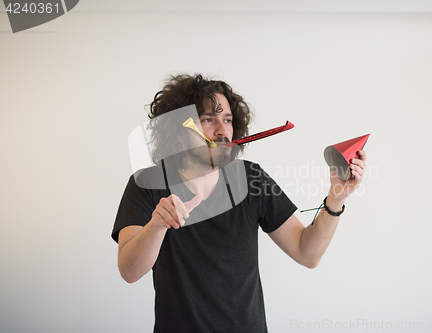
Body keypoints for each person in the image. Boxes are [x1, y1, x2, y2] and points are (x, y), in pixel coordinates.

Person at [112, 74, 367, 333]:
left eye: (228, 120)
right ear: (179, 132)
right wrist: (157, 226)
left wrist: (337, 198)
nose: (222, 131)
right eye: (208, 119)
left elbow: (307, 253)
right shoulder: (148, 183)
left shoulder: (251, 178)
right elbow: (129, 271)